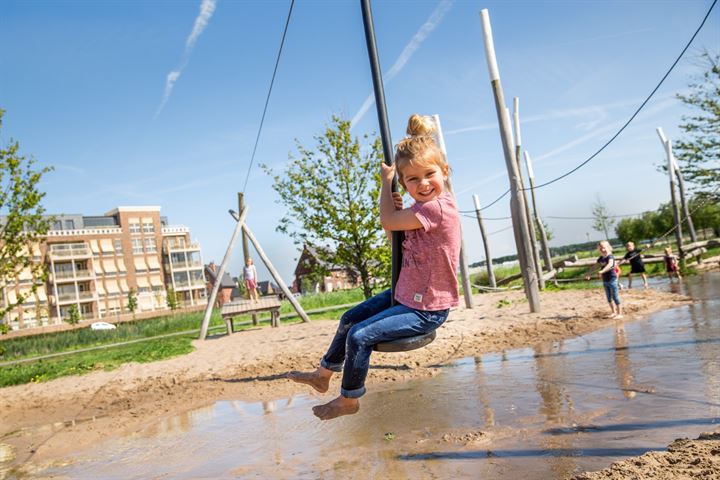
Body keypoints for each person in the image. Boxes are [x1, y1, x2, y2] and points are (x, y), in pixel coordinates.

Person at [287, 114, 461, 421]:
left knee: (359, 335)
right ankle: (324, 373)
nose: (422, 184)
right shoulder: (421, 209)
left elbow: (388, 222)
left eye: (429, 174)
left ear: (445, 172)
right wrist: (393, 205)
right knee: (349, 318)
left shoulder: (439, 207)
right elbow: (395, 233)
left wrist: (384, 184)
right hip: (406, 293)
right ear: (405, 183)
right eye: (412, 179)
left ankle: (349, 398)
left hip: (427, 308)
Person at [585, 240, 623, 319]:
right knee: (608, 298)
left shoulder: (610, 257)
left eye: (604, 248)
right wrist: (589, 273)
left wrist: (602, 271)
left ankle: (620, 313)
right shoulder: (601, 258)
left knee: (615, 296)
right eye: (600, 248)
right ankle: (613, 312)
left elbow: (610, 264)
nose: (602, 249)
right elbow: (596, 266)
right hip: (605, 280)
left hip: (612, 279)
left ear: (608, 248)